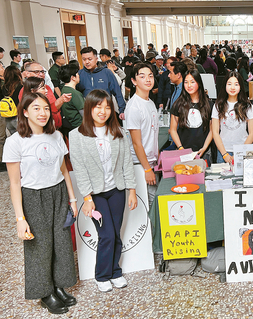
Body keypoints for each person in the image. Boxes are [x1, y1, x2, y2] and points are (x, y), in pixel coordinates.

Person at [3, 92, 78, 314]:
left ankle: (58, 285)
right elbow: (15, 184)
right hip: (33, 197)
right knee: (40, 246)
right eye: (36, 108)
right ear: (25, 112)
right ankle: (45, 293)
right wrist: (20, 219)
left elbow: (63, 170)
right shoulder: (15, 142)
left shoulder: (55, 136)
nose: (43, 113)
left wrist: (72, 199)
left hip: (58, 193)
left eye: (46, 108)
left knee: (61, 243)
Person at [69, 89, 137, 292]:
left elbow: (126, 163)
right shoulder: (77, 135)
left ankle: (115, 271)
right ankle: (102, 275)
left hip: (116, 190)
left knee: (115, 233)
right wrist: (87, 197)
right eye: (98, 107)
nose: (103, 111)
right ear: (89, 108)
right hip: (96, 193)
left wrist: (131, 189)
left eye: (107, 107)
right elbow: (79, 169)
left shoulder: (119, 132)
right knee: (106, 234)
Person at [125, 63, 159, 206]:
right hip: (141, 165)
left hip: (151, 162)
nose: (148, 80)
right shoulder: (134, 107)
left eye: (150, 76)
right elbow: (136, 143)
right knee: (150, 205)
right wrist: (147, 169)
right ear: (134, 81)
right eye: (142, 76)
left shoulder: (150, 102)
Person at [211, 71, 253, 164]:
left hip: (243, 150)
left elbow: (252, 133)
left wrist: (239, 154)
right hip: (223, 151)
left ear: (240, 87)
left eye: (236, 84)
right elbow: (215, 132)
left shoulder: (248, 106)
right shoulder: (218, 105)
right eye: (229, 84)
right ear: (225, 86)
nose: (232, 87)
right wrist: (224, 154)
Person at [169, 69, 213, 160]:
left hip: (204, 151)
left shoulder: (209, 105)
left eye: (192, 82)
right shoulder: (178, 104)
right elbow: (172, 130)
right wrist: (181, 148)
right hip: (183, 151)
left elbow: (213, 130)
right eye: (186, 82)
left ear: (199, 83)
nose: (189, 85)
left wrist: (204, 148)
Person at [77, 47, 126, 119]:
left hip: (106, 112)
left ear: (96, 59)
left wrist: (122, 110)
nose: (87, 62)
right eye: (84, 59)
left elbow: (117, 92)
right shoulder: (79, 74)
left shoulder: (106, 72)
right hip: (89, 114)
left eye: (90, 59)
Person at [58, 64, 85, 130]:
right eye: (77, 74)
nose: (79, 76)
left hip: (70, 124)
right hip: (80, 126)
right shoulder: (75, 93)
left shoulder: (64, 89)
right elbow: (84, 113)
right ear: (73, 77)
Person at [2, 66, 23, 134]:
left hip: (8, 117)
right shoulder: (21, 87)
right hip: (18, 116)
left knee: (14, 138)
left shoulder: (4, 87)